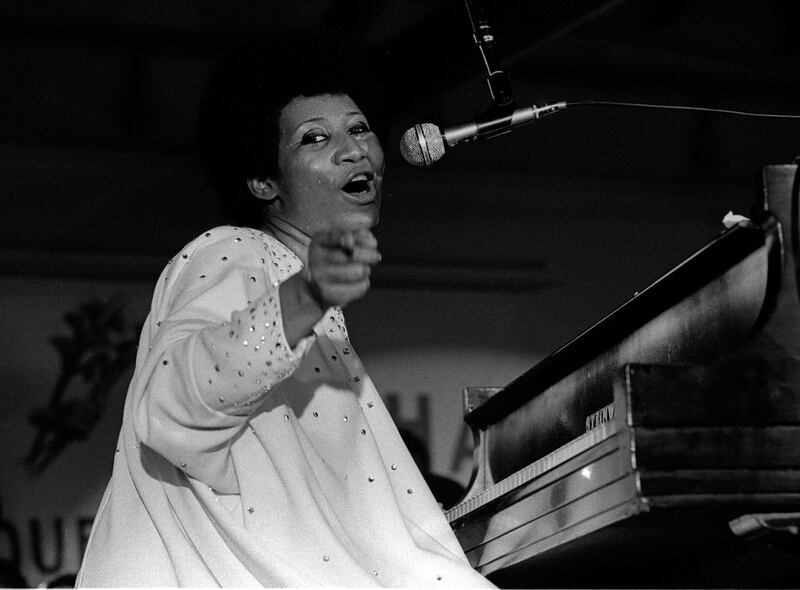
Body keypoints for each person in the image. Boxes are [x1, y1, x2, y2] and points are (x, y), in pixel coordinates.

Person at [76, 31, 493, 587]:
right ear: (262, 181)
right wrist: (306, 295)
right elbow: (172, 400)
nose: (354, 150)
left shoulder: (306, 305)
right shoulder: (233, 250)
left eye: (360, 128)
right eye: (314, 138)